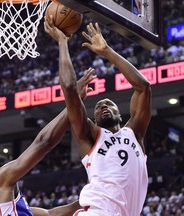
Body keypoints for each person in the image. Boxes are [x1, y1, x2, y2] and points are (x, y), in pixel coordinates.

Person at [44, 19, 151, 216]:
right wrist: (62, 42)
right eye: (98, 107)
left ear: (120, 114)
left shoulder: (134, 133)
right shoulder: (90, 136)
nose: (103, 106)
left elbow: (143, 87)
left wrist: (107, 51)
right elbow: (68, 88)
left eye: (109, 104)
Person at [0, 70, 96, 216]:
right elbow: (43, 143)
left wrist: (92, 193)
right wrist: (73, 101)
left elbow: (51, 214)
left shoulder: (2, 206)